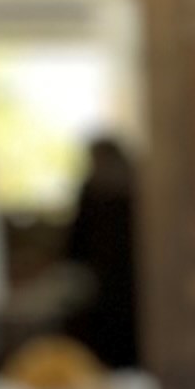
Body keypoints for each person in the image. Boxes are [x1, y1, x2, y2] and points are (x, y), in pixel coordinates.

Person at [62, 133, 141, 371]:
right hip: (106, 280)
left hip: (126, 278)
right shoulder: (94, 189)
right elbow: (77, 240)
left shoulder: (132, 187)